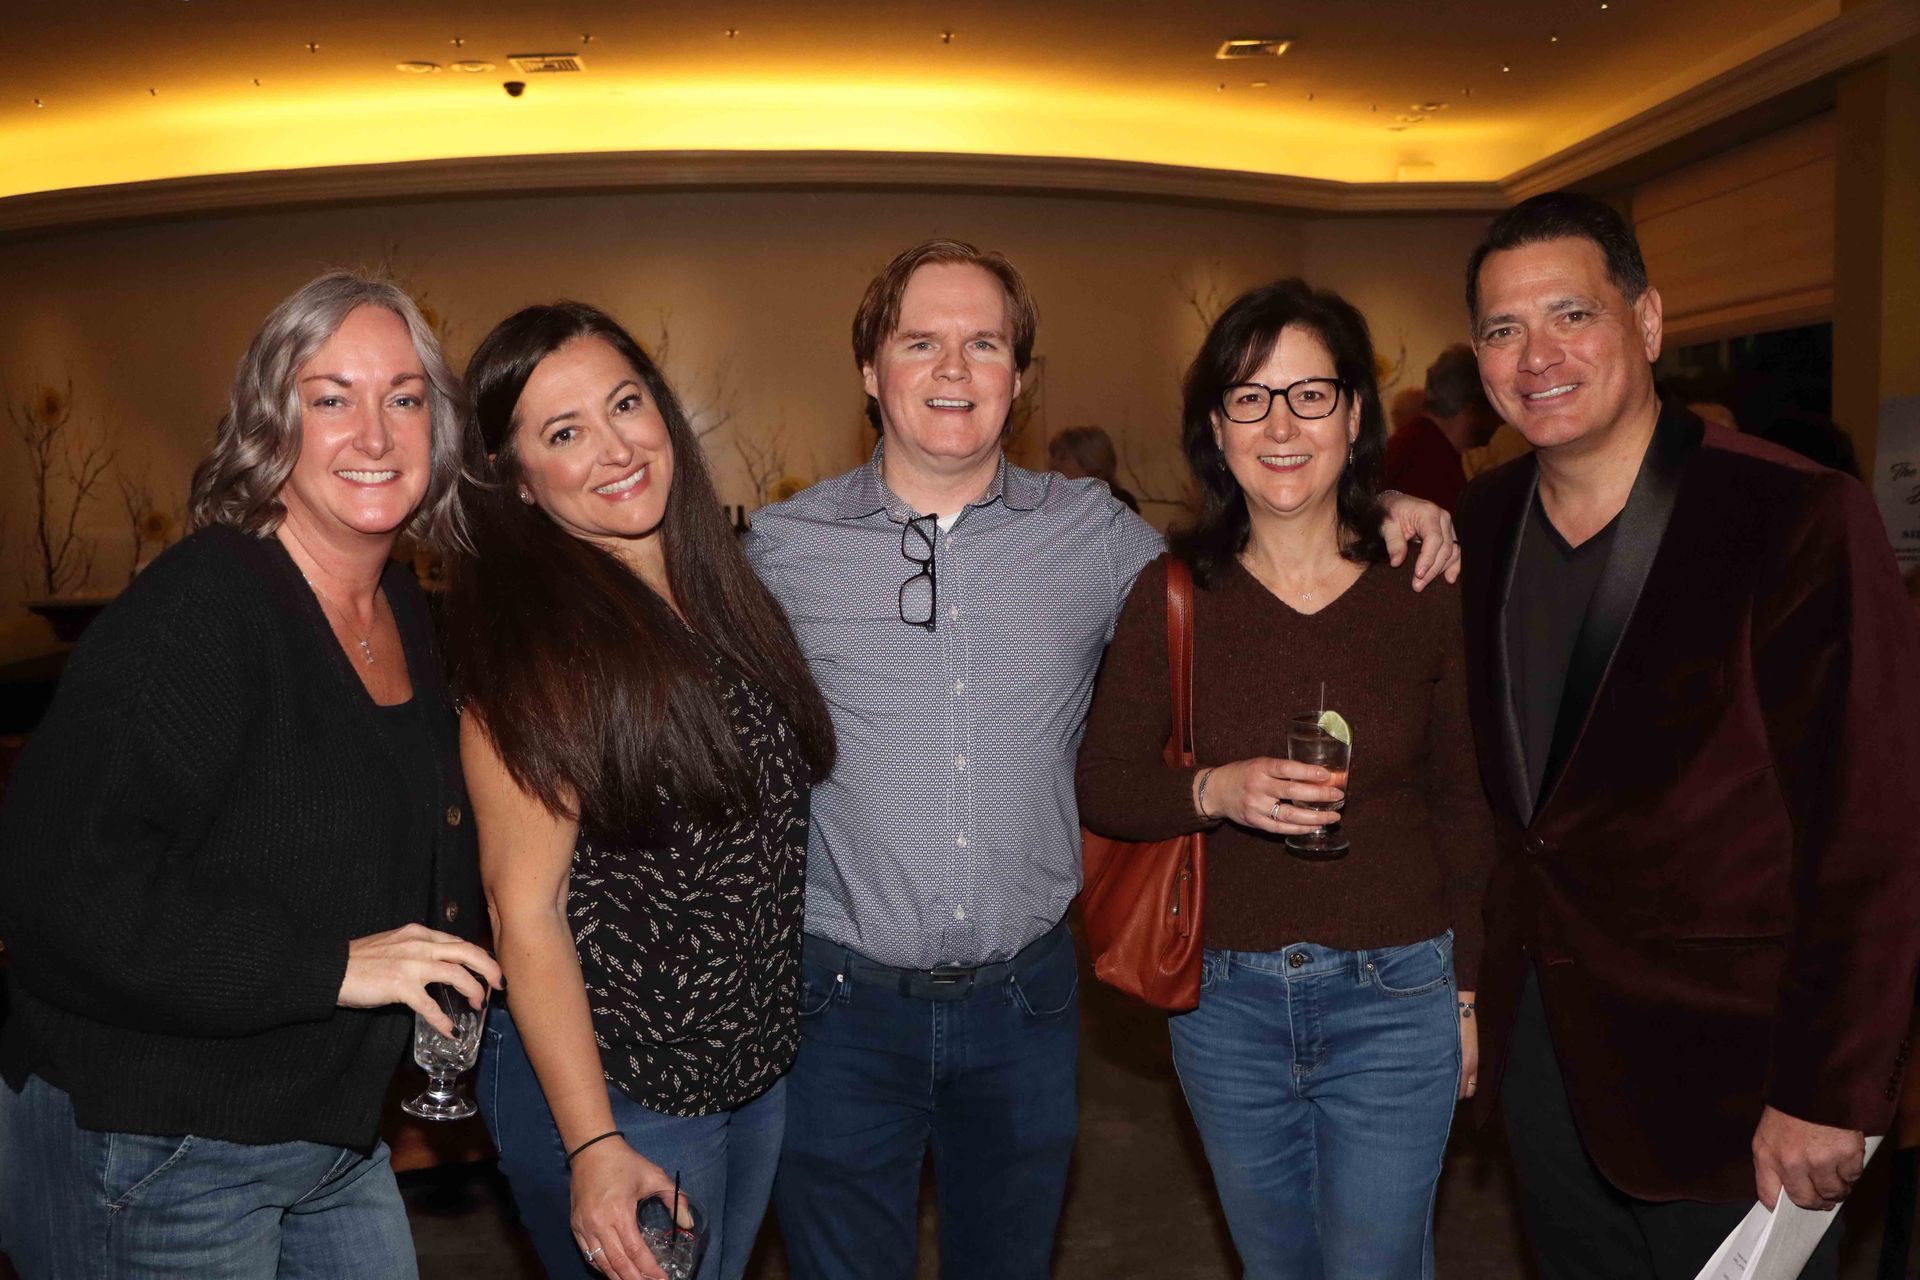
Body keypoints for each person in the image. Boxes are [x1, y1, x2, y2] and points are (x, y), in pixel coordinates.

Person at [744, 237, 1463, 1280]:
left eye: (984, 343)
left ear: (1022, 380)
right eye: (921, 342)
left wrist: (1375, 504)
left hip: (1024, 1008)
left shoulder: (1097, 535)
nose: (953, 370)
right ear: (869, 369)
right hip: (838, 1006)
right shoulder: (778, 547)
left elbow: (1247, 552)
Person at [1455, 191, 1920, 1280]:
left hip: (1740, 1077)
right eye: (1503, 329)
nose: (1538, 356)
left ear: (1648, 322)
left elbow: (1875, 829)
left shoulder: (1792, 516)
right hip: (1548, 1057)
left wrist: (1830, 1087)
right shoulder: (1479, 526)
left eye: (1572, 314)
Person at [0, 271, 501, 1278]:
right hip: (161, 1139)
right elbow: (56, 900)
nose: (374, 432)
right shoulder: (200, 612)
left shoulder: (403, 604)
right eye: (332, 398)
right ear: (271, 427)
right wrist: (333, 967)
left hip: (325, 1129)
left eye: (404, 397)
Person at [1078, 278, 1493, 1278]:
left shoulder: (1423, 586)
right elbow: (1103, 782)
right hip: (1224, 1003)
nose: (1280, 423)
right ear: (1215, 429)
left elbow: (1466, 804)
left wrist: (1468, 995)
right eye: (1248, 397)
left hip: (1399, 989)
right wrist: (1213, 790)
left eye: (1310, 394)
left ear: (1355, 415)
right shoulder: (1171, 593)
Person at [446, 303, 836, 1280]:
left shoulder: (722, 591)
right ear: (518, 480)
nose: (615, 446)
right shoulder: (536, 653)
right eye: (563, 432)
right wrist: (591, 1145)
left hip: (748, 1064)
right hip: (626, 1091)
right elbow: (522, 913)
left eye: (625, 403)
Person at [1384, 343, 1502, 513]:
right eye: (1495, 407)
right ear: (1473, 407)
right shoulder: (1429, 463)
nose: (1501, 421)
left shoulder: (1416, 444)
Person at [1047, 424, 1140, 511]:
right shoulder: (1052, 503)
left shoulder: (1117, 505)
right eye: (1053, 456)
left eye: (1063, 458)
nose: (1053, 464)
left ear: (1090, 463)